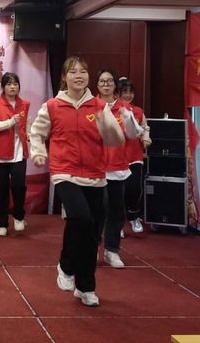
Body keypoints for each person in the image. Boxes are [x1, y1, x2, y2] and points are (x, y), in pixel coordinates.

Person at [30, 57, 132, 307]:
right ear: (64, 77)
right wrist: (39, 152)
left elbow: (115, 140)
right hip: (64, 172)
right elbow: (37, 132)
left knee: (93, 235)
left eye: (83, 71)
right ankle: (66, 266)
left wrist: (107, 125)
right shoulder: (52, 106)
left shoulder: (99, 106)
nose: (79, 75)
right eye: (73, 72)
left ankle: (85, 287)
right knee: (80, 218)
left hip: (96, 176)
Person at [96, 69, 149, 270]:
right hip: (95, 168)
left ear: (115, 85)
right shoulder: (90, 107)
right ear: (97, 85)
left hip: (117, 166)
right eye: (102, 81)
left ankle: (112, 250)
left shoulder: (125, 109)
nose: (106, 85)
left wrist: (129, 120)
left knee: (117, 211)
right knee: (98, 210)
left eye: (110, 81)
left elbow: (133, 134)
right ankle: (93, 247)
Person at [0, 72, 30, 235]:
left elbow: (27, 123)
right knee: (1, 190)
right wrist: (11, 122)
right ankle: (1, 224)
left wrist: (31, 134)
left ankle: (18, 216)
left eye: (15, 84)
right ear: (3, 87)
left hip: (19, 154)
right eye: (9, 84)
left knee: (19, 187)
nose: (12, 87)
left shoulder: (24, 104)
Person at [118, 78, 150, 233]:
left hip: (135, 155)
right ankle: (117, 223)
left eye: (131, 92)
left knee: (134, 188)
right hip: (117, 156)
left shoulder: (138, 111)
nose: (128, 95)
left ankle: (133, 216)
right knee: (118, 191)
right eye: (124, 92)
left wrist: (146, 139)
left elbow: (144, 128)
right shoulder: (112, 110)